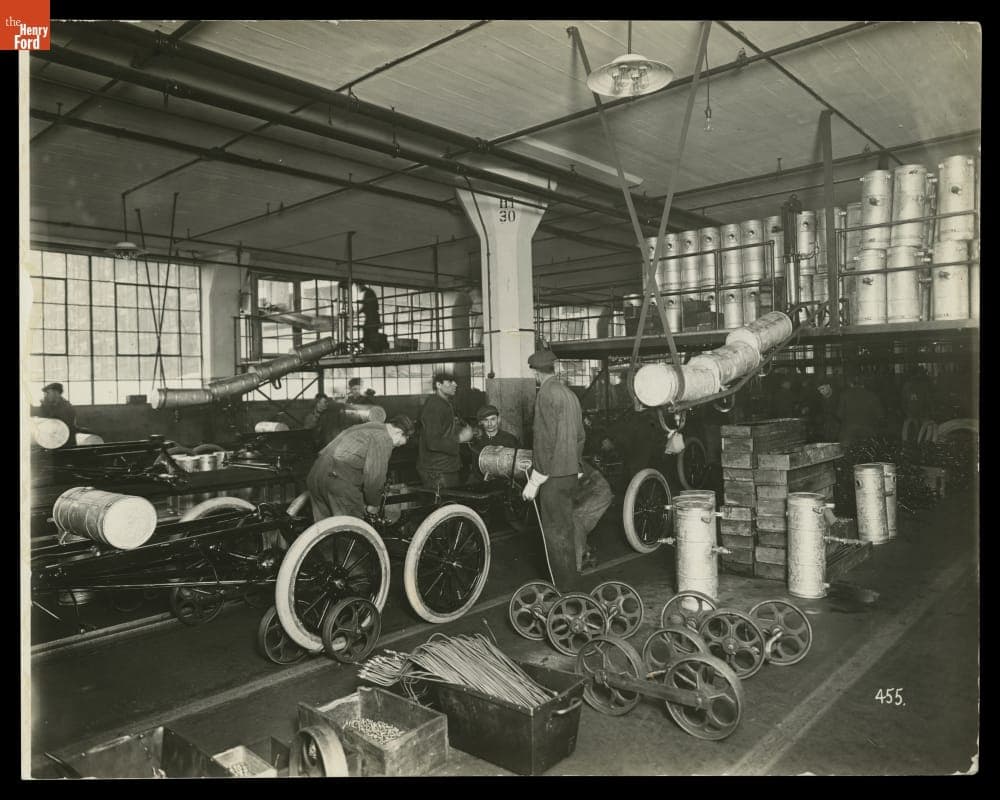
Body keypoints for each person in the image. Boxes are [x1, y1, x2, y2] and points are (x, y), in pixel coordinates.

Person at [521, 348, 614, 589]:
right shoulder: (570, 395)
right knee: (567, 526)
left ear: (536, 374)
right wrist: (574, 464)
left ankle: (564, 590)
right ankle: (572, 581)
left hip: (552, 476)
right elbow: (581, 436)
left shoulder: (545, 395)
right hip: (571, 474)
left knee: (555, 534)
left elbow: (543, 439)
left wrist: (535, 479)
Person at [306, 414, 416, 523]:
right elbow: (374, 477)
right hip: (337, 483)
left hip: (315, 476)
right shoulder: (383, 438)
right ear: (399, 432)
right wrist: (374, 503)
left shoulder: (366, 427)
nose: (395, 446)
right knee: (354, 531)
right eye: (398, 444)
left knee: (325, 530)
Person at [417, 371, 474, 490]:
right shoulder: (434, 407)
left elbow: (445, 427)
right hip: (437, 470)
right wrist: (460, 438)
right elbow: (432, 442)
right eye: (450, 382)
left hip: (445, 466)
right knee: (446, 505)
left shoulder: (444, 403)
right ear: (438, 385)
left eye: (455, 381)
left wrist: (462, 430)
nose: (455, 385)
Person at [468, 404, 520, 482]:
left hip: (505, 483)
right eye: (486, 420)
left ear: (498, 419)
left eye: (493, 419)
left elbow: (519, 466)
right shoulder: (476, 441)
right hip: (481, 482)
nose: (490, 424)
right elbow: (474, 468)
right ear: (481, 422)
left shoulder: (509, 439)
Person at [837, 374, 885, 447]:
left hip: (848, 435)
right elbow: (880, 415)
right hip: (868, 433)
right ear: (864, 384)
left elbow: (839, 415)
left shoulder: (844, 395)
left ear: (851, 383)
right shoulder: (872, 395)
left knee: (848, 455)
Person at [357, 283, 384, 354]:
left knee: (368, 331)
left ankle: (369, 348)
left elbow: (365, 305)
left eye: (358, 286)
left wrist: (358, 312)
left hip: (372, 317)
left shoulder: (368, 293)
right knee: (371, 332)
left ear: (361, 285)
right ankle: (372, 348)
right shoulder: (370, 292)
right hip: (373, 317)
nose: (358, 288)